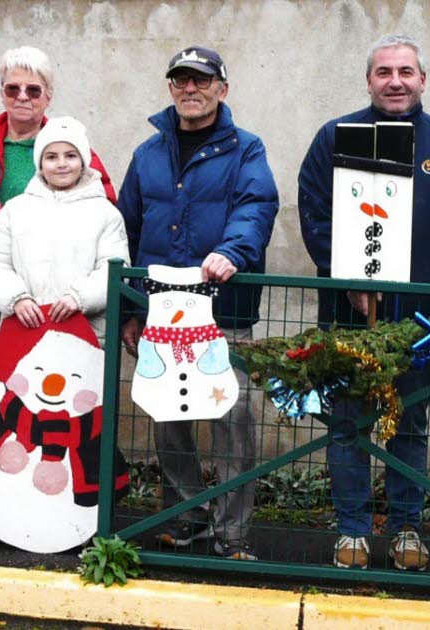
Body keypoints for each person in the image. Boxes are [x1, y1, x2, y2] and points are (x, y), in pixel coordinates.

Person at [297, 34, 430, 570]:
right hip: (348, 318)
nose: (395, 81)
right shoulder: (336, 138)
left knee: (408, 423)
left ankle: (407, 528)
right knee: (348, 423)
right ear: (368, 80)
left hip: (421, 324)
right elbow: (314, 214)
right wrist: (347, 277)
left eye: (406, 71)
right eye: (384, 71)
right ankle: (353, 531)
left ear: (423, 80)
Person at [118, 45, 280, 561]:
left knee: (232, 424)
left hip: (224, 313)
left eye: (202, 81)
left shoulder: (247, 150)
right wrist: (130, 309)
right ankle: (185, 524)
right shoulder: (147, 154)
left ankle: (232, 538)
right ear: (170, 88)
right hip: (160, 316)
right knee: (169, 420)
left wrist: (232, 250)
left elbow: (257, 205)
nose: (191, 89)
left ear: (222, 89)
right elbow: (127, 229)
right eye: (180, 81)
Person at [0, 46, 118, 455]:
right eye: (13, 88)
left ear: (48, 95)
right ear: (1, 92)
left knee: (53, 384)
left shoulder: (68, 144)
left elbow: (105, 211)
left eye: (33, 90)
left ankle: (50, 479)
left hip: (58, 292)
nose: (22, 98)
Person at [0, 116, 128, 340]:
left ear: (83, 161)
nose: (61, 164)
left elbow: (114, 269)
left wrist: (79, 298)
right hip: (24, 331)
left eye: (70, 155)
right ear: (40, 163)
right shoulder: (15, 210)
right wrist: (16, 298)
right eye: (51, 157)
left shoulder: (105, 213)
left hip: (86, 335)